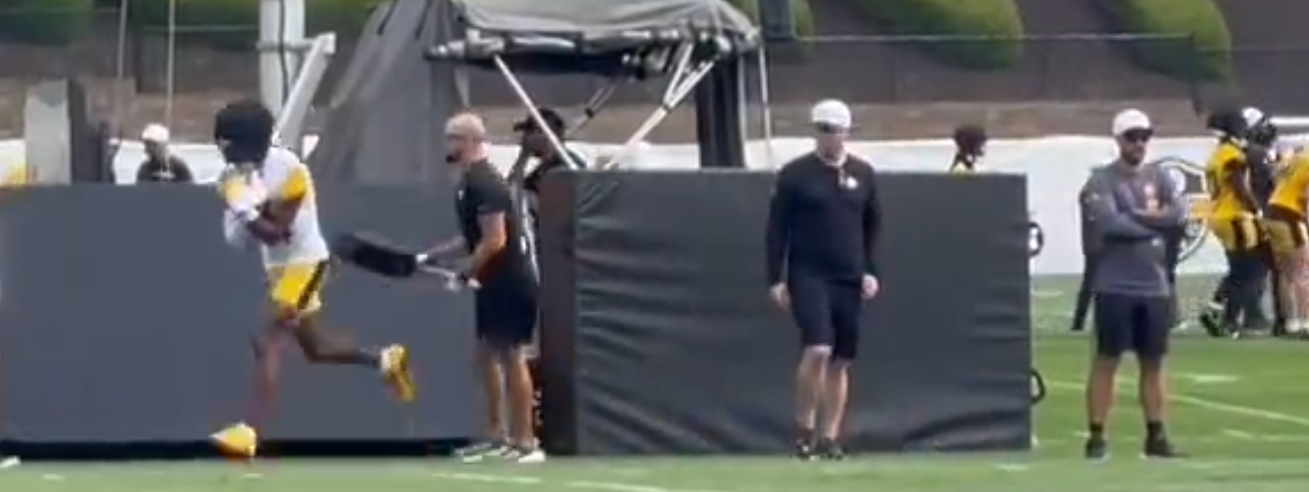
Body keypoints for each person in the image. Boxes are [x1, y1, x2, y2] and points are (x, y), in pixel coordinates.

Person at [207, 99, 414, 458]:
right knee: (317, 350)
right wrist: (241, 211)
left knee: (268, 335)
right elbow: (242, 238)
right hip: (276, 269)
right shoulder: (234, 175)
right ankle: (384, 359)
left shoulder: (289, 169)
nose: (231, 156)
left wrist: (245, 209)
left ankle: (249, 432)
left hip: (305, 262)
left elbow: (276, 233)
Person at [425, 113, 545, 464]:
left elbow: (494, 241)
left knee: (512, 355)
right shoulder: (466, 183)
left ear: (470, 140)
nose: (447, 145)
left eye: (452, 138)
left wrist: (463, 274)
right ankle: (497, 435)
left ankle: (526, 443)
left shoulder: (487, 182)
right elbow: (471, 238)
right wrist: (429, 255)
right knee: (485, 355)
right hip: (490, 283)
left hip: (512, 282)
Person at [765, 99, 881, 461]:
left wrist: (871, 270)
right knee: (818, 347)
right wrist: (776, 278)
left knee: (842, 358)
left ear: (847, 132)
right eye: (824, 130)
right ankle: (803, 426)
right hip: (808, 271)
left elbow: (872, 225)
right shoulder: (796, 174)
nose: (830, 137)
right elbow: (776, 229)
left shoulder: (863, 174)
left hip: (848, 273)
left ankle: (830, 436)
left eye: (836, 130)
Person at [1080, 109, 1184, 459]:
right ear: (1118, 139)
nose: (1139, 143)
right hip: (1115, 285)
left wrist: (1140, 219)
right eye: (1132, 136)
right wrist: (1156, 225)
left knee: (1154, 362)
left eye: (1144, 136)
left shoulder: (1160, 177)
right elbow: (1111, 226)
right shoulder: (1101, 180)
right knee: (1107, 360)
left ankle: (1156, 435)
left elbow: (1179, 215)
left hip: (1154, 285)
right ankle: (1096, 435)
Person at [1198, 107, 1265, 338]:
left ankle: (1220, 313)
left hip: (1219, 215)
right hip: (1234, 215)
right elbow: (1238, 185)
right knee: (1248, 270)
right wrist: (1256, 208)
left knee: (1239, 270)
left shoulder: (1217, 153)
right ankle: (1224, 316)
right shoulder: (1230, 154)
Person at [1263, 146, 1309, 337]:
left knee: (1286, 273)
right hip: (1289, 215)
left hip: (1272, 212)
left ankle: (1291, 322)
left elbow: (1276, 173)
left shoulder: (1300, 156)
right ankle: (1306, 322)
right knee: (1302, 271)